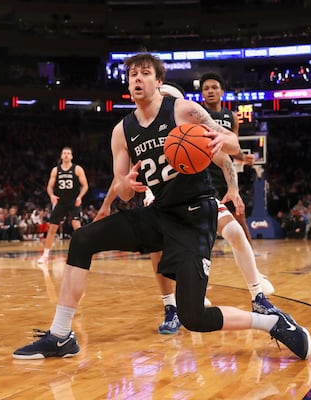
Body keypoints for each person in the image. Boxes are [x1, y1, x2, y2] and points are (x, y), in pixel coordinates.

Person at [13, 53, 311, 361]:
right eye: (133, 75)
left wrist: (222, 142)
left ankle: (272, 321)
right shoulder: (122, 131)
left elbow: (234, 146)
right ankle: (61, 336)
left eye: (145, 73)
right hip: (159, 213)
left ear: (159, 82)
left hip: (196, 216)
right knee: (83, 239)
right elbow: (125, 192)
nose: (138, 79)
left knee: (193, 317)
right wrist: (127, 183)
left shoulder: (183, 110)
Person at [95, 82, 276, 336]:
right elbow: (120, 178)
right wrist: (106, 206)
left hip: (196, 197)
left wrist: (233, 189)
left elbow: (224, 159)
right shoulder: (136, 132)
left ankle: (257, 293)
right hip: (159, 199)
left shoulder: (188, 131)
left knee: (234, 231)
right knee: (158, 248)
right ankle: (171, 306)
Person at [200, 72, 255, 246]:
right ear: (202, 94)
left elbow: (234, 146)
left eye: (214, 87)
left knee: (240, 217)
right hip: (205, 173)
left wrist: (243, 157)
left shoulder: (231, 117)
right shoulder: (197, 114)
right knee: (205, 224)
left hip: (226, 173)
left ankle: (251, 261)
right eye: (206, 88)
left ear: (222, 92)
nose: (210, 91)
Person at [37, 147, 89, 264]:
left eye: (68, 153)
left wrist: (80, 197)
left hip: (73, 202)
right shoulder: (56, 170)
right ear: (61, 156)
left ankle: (85, 251)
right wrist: (51, 195)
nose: (66, 155)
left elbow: (85, 186)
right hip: (60, 202)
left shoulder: (77, 169)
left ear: (71, 156)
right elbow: (49, 187)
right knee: (52, 228)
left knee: (77, 225)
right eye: (64, 153)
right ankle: (45, 255)